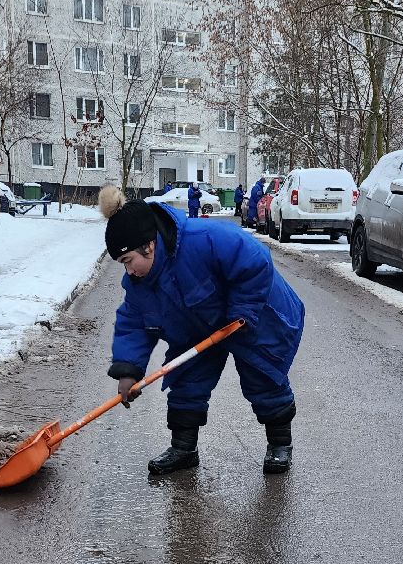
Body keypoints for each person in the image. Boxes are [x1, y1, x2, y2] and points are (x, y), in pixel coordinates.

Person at [98, 184, 304, 476]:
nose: (128, 271)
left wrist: (242, 311)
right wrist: (128, 370)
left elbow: (256, 261)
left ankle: (280, 444)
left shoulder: (203, 239)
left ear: (149, 245)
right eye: (122, 265)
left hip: (251, 314)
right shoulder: (138, 285)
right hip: (197, 325)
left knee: (264, 376)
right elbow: (133, 324)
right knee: (186, 379)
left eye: (129, 261)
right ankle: (184, 449)